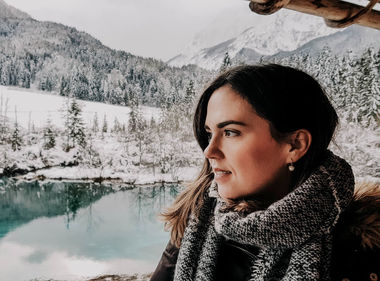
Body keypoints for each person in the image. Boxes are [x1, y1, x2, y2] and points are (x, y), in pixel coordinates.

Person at [150, 64, 379, 281]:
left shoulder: (360, 248)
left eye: (230, 132)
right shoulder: (195, 221)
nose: (209, 150)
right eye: (209, 133)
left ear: (295, 145)